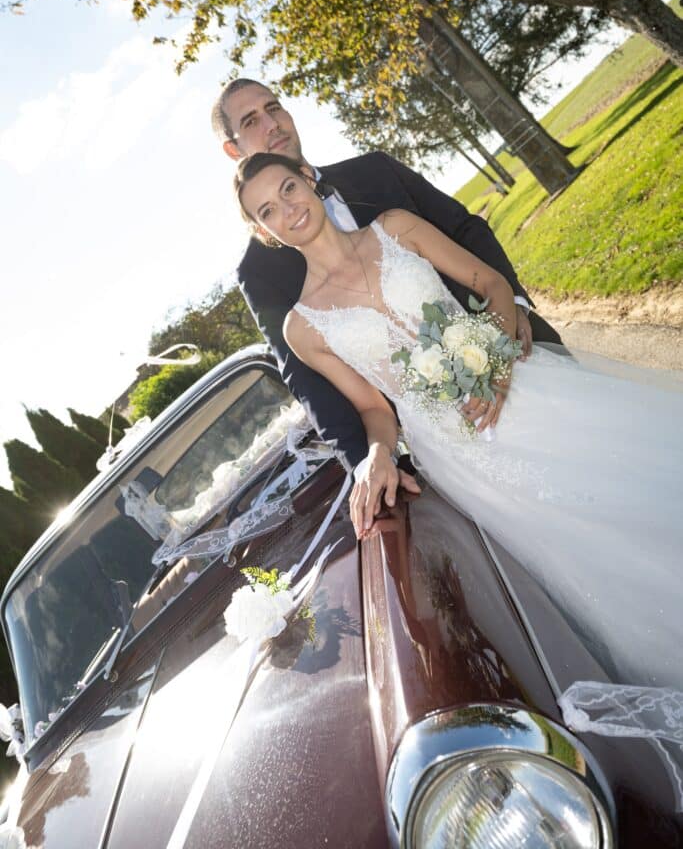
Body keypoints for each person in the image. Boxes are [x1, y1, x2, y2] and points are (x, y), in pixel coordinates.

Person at [234, 152, 683, 688]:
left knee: (627, 480)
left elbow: (489, 283)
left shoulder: (395, 228)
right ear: (264, 232)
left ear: (309, 179)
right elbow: (375, 409)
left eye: (288, 188)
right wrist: (375, 456)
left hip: (519, 389)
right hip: (460, 452)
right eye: (267, 209)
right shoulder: (301, 328)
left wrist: (491, 361)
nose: (286, 208)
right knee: (581, 550)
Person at [212, 77, 562, 483]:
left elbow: (465, 230)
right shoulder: (259, 274)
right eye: (251, 120)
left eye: (273, 107)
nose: (271, 124)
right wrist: (370, 462)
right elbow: (310, 382)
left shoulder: (376, 171)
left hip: (519, 355)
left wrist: (513, 311)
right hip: (451, 443)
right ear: (233, 149)